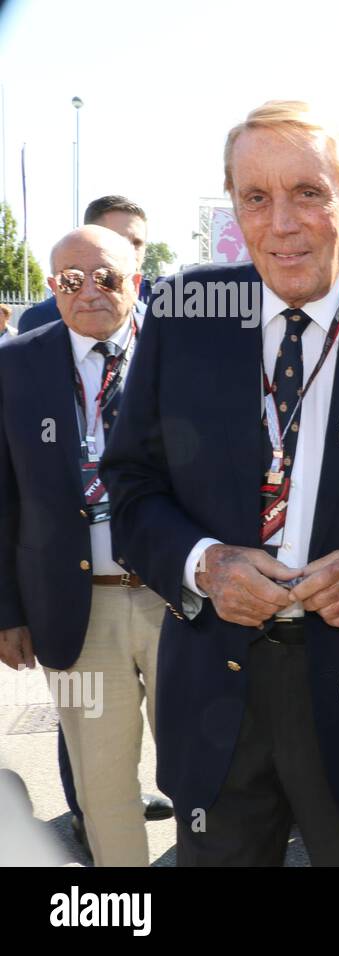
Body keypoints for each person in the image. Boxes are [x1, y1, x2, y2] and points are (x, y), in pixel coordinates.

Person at [101, 101, 339, 866]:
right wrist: (204, 563)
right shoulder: (183, 313)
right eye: (255, 197)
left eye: (308, 193)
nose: (282, 222)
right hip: (214, 697)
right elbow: (132, 486)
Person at [0, 226, 165, 866]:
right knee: (101, 788)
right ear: (51, 288)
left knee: (207, 771)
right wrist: (9, 610)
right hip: (75, 614)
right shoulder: (14, 364)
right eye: (71, 280)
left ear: (137, 281)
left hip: (183, 608)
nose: (89, 291)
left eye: (108, 277)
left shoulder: (184, 355)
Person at [19, 197, 151, 334]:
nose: (128, 250)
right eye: (116, 239)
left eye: (137, 243)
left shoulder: (155, 320)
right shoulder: (41, 319)